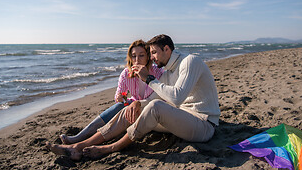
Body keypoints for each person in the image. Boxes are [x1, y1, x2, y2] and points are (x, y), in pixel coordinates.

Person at [46, 34, 220, 161]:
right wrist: (137, 104)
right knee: (133, 108)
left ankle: (112, 147)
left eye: (153, 53)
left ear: (166, 49)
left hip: (203, 124)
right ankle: (78, 147)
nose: (151, 57)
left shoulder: (190, 62)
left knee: (156, 107)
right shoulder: (168, 73)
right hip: (183, 120)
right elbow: (155, 97)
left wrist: (149, 79)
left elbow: (176, 98)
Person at [59, 39, 163, 144]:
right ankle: (80, 136)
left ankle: (82, 139)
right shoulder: (126, 73)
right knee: (120, 106)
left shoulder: (157, 71)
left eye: (141, 55)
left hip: (151, 110)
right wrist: (121, 97)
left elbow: (161, 95)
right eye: (134, 56)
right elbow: (121, 95)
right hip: (132, 108)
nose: (137, 60)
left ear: (148, 57)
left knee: (124, 107)